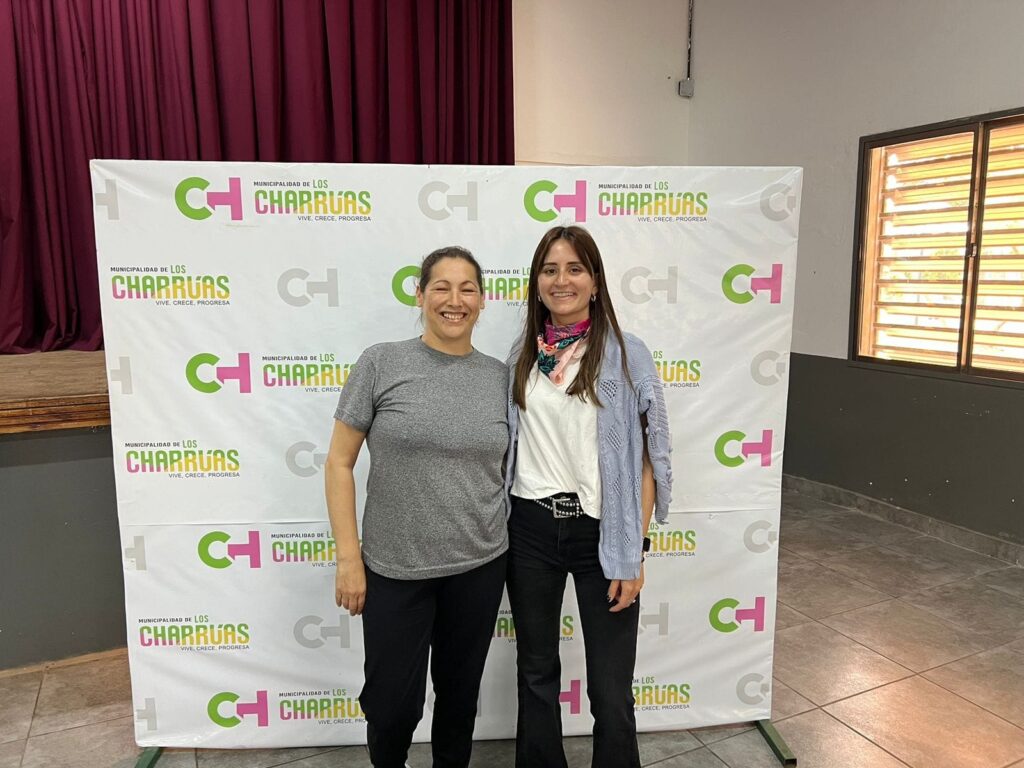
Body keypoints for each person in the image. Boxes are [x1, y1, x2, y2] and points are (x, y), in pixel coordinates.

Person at [324, 246, 509, 768]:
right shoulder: (381, 363)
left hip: (478, 565)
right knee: (391, 706)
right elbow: (339, 463)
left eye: (467, 288)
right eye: (442, 287)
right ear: (420, 294)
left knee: (459, 697)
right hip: (393, 567)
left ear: (482, 300)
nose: (455, 300)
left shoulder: (500, 378)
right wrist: (349, 558)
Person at [505, 225, 672, 768]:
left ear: (596, 282)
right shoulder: (522, 355)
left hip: (601, 531)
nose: (562, 280)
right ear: (536, 283)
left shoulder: (627, 354)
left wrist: (634, 550)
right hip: (529, 529)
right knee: (535, 673)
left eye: (575, 268)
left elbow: (648, 459)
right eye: (550, 269)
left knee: (610, 685)